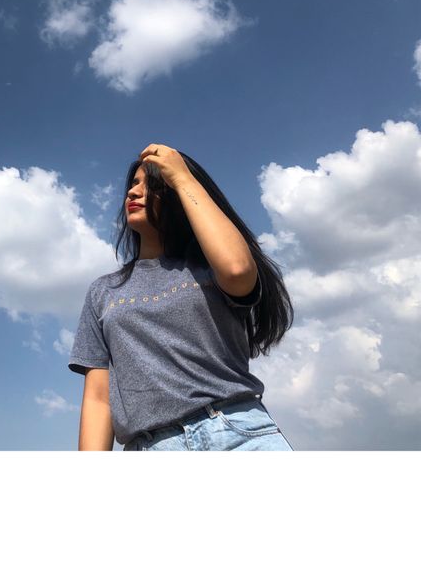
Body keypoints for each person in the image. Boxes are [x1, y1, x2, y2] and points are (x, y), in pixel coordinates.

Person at [68, 143, 295, 451]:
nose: (133, 193)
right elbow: (98, 398)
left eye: (154, 186)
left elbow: (238, 269)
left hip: (238, 432)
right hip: (150, 447)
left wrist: (183, 177)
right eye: (133, 185)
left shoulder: (211, 269)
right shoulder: (103, 291)